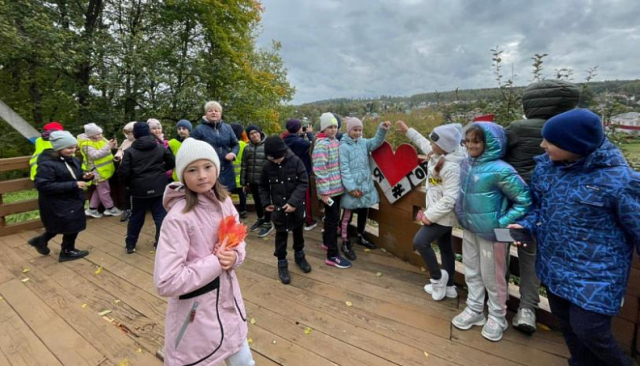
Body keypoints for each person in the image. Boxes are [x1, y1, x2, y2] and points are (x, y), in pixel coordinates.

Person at [509, 109, 639, 366]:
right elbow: (537, 208)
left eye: (551, 141)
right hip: (554, 268)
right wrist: (524, 225)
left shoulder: (621, 180)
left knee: (591, 332)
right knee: (567, 326)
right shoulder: (547, 169)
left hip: (597, 276)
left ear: (575, 145)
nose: (542, 145)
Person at [154, 138, 253, 366]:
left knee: (243, 360)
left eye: (208, 167)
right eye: (192, 169)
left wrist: (236, 255)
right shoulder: (178, 219)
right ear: (182, 175)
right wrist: (216, 262)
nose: (202, 175)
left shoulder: (224, 201)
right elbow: (166, 281)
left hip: (229, 303)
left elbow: (237, 237)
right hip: (196, 314)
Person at [504, 80, 580, 334]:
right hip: (543, 208)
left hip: (509, 204)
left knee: (499, 248)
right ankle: (527, 308)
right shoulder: (568, 131)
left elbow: (495, 154)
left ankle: (498, 299)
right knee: (531, 256)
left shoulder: (516, 128)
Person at [451, 122, 531, 342]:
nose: (471, 145)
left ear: (490, 142)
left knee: (493, 277)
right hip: (470, 229)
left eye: (476, 141)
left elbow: (525, 200)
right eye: (467, 141)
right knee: (472, 271)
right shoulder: (466, 164)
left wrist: (501, 223)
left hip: (492, 235)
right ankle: (475, 309)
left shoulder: (502, 169)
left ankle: (497, 315)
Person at [397, 120, 464, 301]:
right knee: (446, 248)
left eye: (434, 143)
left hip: (443, 216)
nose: (431, 145)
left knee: (420, 242)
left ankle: (437, 278)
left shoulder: (452, 167)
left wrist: (429, 215)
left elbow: (451, 198)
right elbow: (423, 143)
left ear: (444, 146)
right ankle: (449, 285)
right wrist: (408, 130)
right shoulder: (438, 154)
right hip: (439, 213)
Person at [28, 131, 91, 262]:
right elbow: (43, 185)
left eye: (74, 147)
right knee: (71, 224)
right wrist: (73, 185)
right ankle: (67, 251)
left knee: (64, 223)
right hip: (57, 201)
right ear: (58, 148)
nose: (73, 150)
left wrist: (84, 176)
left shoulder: (72, 159)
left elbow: (74, 175)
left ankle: (41, 241)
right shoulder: (47, 164)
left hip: (71, 198)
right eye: (69, 148)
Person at [259, 136, 311, 284]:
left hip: (296, 208)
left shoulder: (296, 161)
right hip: (278, 209)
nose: (276, 161)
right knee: (281, 237)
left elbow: (303, 182)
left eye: (277, 158)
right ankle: (282, 263)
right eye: (272, 158)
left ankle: (300, 256)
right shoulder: (267, 166)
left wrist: (294, 202)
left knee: (298, 233)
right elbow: (262, 186)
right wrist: (265, 203)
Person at [119, 122, 175, 253]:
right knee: (160, 216)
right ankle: (159, 243)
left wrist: (129, 184)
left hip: (139, 190)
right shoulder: (160, 148)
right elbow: (172, 161)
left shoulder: (130, 152)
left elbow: (124, 172)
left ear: (136, 134)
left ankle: (130, 245)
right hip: (159, 187)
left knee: (136, 216)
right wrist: (161, 172)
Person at [338, 118, 390, 260]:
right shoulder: (343, 147)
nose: (358, 132)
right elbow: (344, 169)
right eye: (355, 130)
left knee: (363, 211)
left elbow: (376, 142)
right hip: (352, 188)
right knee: (347, 216)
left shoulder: (364, 143)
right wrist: (351, 188)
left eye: (360, 130)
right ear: (349, 130)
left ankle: (361, 235)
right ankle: (345, 241)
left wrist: (382, 129)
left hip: (365, 186)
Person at [312, 112, 351, 269]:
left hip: (338, 188)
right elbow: (320, 170)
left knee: (331, 219)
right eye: (330, 127)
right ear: (324, 128)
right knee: (333, 220)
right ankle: (332, 255)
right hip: (329, 192)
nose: (333, 129)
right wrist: (325, 193)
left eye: (335, 127)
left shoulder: (335, 142)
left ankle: (327, 243)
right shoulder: (322, 145)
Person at [191, 101, 240, 191]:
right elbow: (191, 148)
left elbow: (236, 144)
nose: (213, 112)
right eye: (210, 111)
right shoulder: (199, 129)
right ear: (206, 113)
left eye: (216, 110)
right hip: (207, 171)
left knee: (226, 200)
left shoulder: (227, 128)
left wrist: (233, 154)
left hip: (227, 170)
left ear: (220, 114)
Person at [78, 123, 121, 218]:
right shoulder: (86, 144)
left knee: (99, 191)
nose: (100, 136)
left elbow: (109, 149)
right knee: (104, 191)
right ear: (91, 135)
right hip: (96, 171)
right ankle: (110, 208)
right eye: (97, 134)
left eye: (100, 133)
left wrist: (113, 145)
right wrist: (107, 146)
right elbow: (94, 156)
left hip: (104, 170)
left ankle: (92, 209)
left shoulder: (101, 139)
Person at [283, 118, 318, 230]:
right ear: (298, 128)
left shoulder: (284, 140)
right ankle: (309, 221)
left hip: (288, 173)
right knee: (305, 197)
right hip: (302, 173)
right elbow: (314, 146)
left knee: (291, 197)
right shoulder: (301, 142)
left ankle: (289, 222)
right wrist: (310, 134)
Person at [240, 125, 273, 237]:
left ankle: (268, 223)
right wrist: (243, 182)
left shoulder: (268, 145)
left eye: (256, 132)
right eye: (251, 134)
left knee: (267, 202)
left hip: (265, 181)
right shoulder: (247, 148)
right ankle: (261, 219)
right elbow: (244, 165)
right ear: (249, 136)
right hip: (252, 181)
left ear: (260, 132)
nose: (254, 135)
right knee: (257, 202)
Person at [114, 121, 137, 222]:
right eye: (127, 133)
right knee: (125, 190)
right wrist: (118, 155)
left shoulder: (137, 142)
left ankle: (133, 210)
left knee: (132, 191)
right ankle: (127, 209)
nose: (128, 135)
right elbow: (120, 150)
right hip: (123, 168)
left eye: (130, 132)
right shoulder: (125, 141)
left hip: (132, 169)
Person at [230, 123, 248, 218]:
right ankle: (243, 210)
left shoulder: (227, 144)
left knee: (227, 196)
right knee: (242, 195)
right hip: (241, 177)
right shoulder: (243, 145)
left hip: (228, 177)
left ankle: (229, 211)